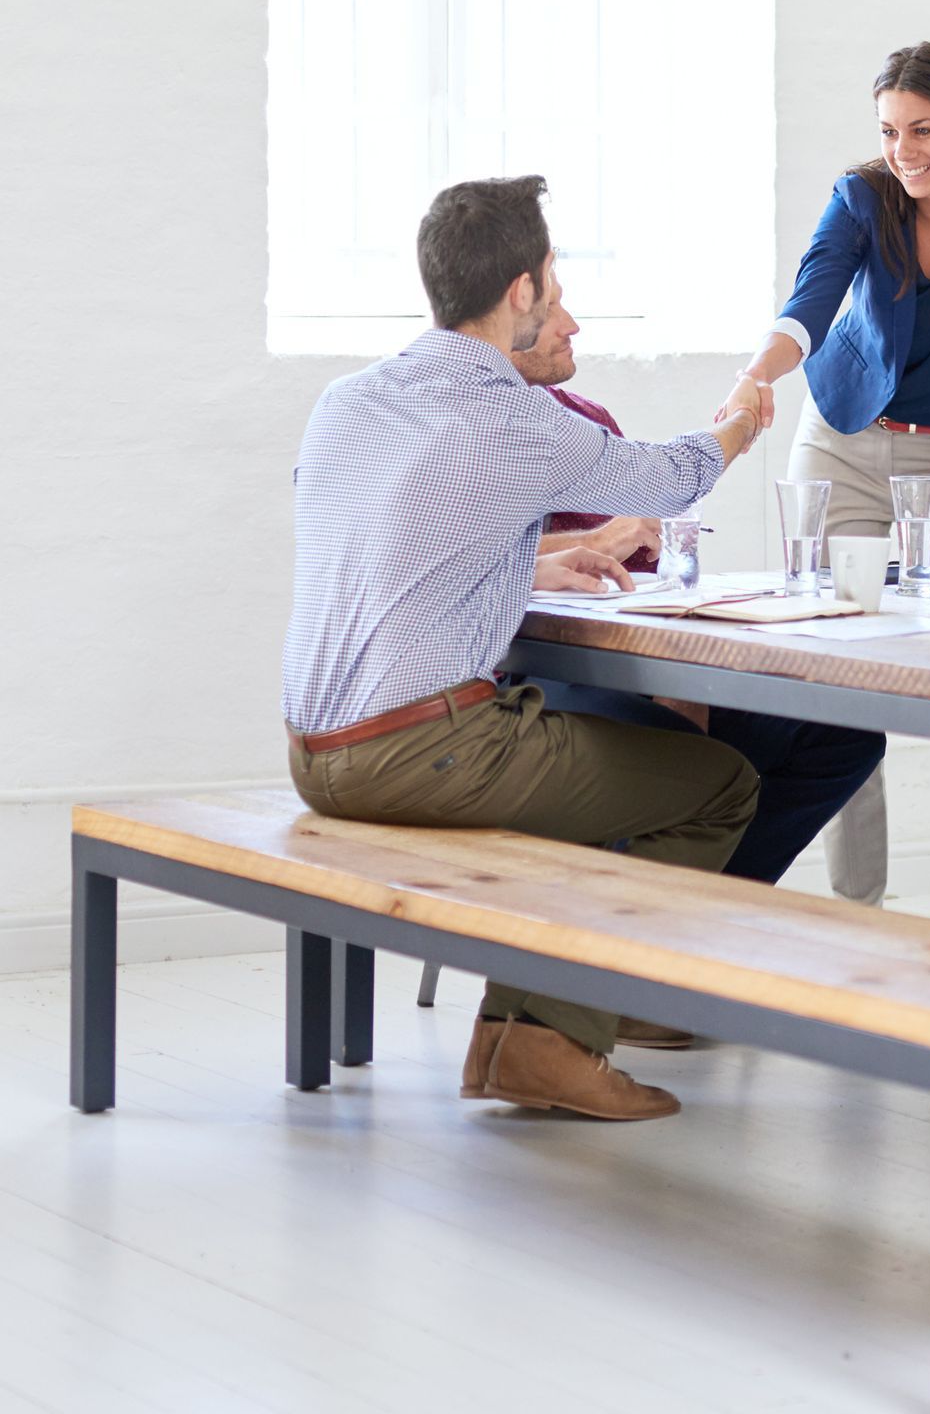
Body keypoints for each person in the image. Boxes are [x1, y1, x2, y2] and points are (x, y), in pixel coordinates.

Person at [284, 175, 770, 1123]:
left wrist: (546, 558)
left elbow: (396, 546)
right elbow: (671, 478)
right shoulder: (508, 416)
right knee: (721, 784)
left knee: (581, 787)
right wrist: (741, 424)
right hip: (423, 751)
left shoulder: (349, 402)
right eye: (552, 282)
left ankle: (514, 1044)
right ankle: (552, 1042)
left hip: (315, 755)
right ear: (520, 290)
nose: (558, 302)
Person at [726, 42, 930, 931]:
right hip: (844, 437)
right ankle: (856, 921)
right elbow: (811, 300)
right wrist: (758, 375)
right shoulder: (862, 194)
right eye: (889, 131)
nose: (904, 151)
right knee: (840, 675)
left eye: (922, 131)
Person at [509, 289, 886, 922]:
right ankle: (646, 937)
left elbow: (646, 558)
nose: (573, 325)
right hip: (538, 674)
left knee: (841, 735)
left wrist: (648, 558)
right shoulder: (478, 422)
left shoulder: (583, 416)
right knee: (693, 749)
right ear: (506, 314)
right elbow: (475, 546)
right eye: (552, 312)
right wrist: (741, 417)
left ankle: (698, 916)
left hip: (620, 660)